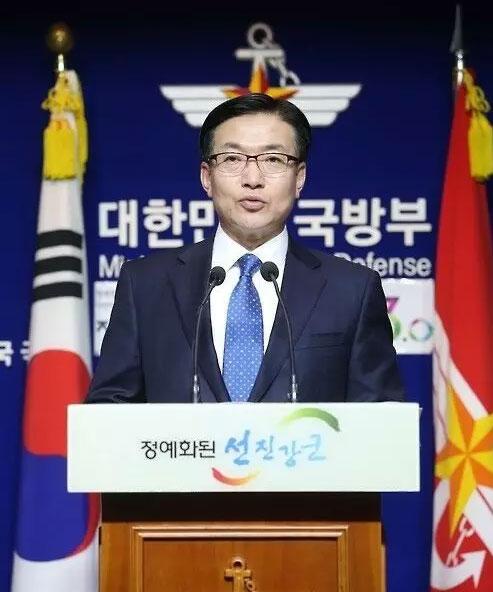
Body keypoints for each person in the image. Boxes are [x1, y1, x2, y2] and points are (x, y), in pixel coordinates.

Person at [86, 93, 403, 404]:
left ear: (299, 178)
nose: (252, 178)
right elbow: (109, 410)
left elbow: (381, 419)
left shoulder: (352, 290)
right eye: (232, 159)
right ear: (207, 177)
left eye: (273, 159)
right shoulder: (145, 284)